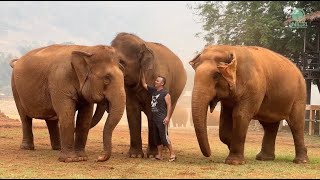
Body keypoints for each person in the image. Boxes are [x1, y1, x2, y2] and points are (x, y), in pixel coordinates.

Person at [141, 72, 176, 162]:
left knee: (164, 137)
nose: (155, 81)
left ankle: (172, 153)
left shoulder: (165, 93)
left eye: (157, 81)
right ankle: (159, 155)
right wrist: (142, 74)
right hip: (154, 118)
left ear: (162, 83)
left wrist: (167, 117)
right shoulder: (153, 91)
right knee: (156, 138)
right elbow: (144, 84)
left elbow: (169, 105)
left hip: (161, 118)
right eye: (156, 80)